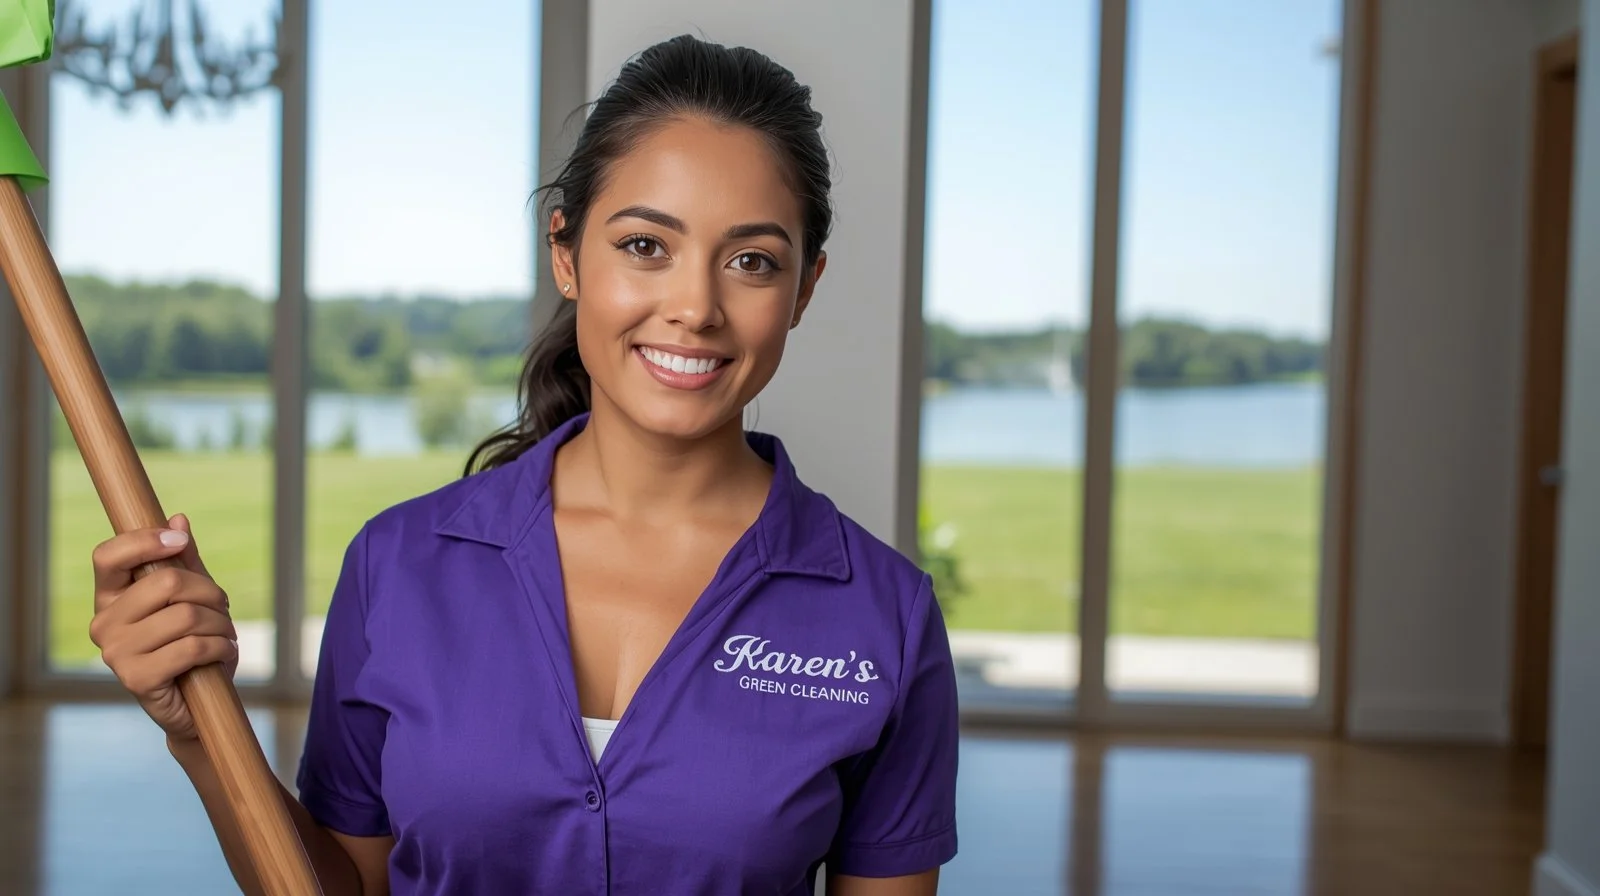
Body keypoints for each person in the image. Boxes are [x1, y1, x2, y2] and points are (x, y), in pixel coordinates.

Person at [86, 33, 959, 896]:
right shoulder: (398, 567)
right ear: (566, 253)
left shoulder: (885, 617)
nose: (695, 307)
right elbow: (343, 889)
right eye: (645, 246)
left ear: (803, 288)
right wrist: (201, 731)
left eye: (752, 262)